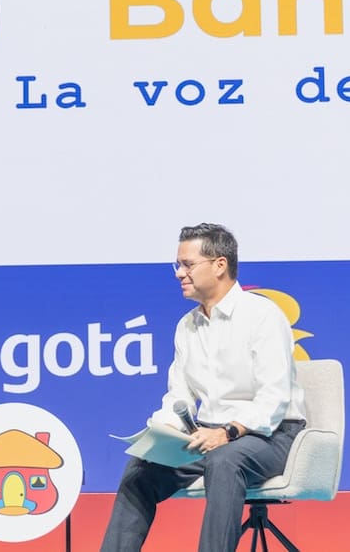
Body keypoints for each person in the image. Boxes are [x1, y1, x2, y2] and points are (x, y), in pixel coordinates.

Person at [101, 223, 306, 552]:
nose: (179, 273)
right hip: (210, 434)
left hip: (272, 435)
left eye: (188, 264)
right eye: (177, 265)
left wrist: (227, 433)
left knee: (225, 461)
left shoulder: (263, 316)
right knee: (141, 469)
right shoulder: (187, 326)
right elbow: (178, 395)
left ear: (220, 265)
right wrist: (162, 432)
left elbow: (273, 400)